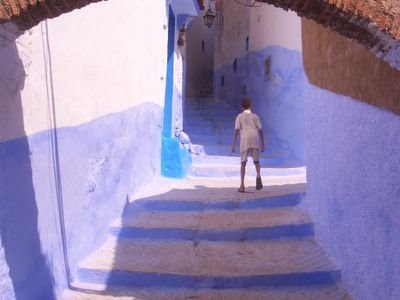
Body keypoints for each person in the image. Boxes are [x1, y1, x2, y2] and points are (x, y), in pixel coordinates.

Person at [232, 97, 265, 192]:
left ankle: (242, 185)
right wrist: (262, 143)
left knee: (243, 163)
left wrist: (234, 144)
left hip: (245, 139)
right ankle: (258, 175)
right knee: (256, 161)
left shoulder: (239, 116)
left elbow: (236, 130)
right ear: (250, 105)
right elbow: (260, 130)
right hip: (254, 137)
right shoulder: (255, 116)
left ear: (241, 107)